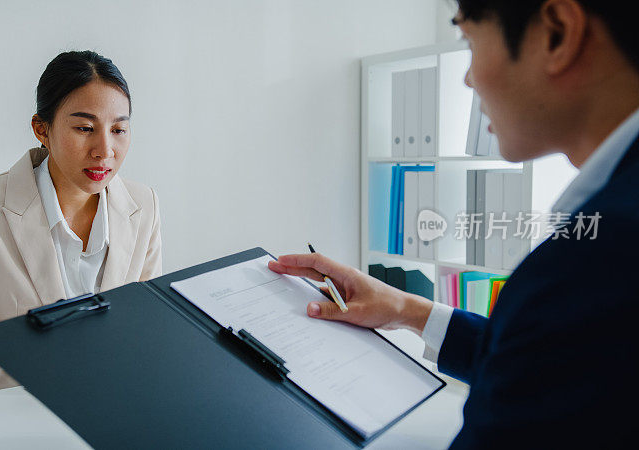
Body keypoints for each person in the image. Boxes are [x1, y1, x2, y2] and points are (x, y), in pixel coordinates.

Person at [269, 0, 638, 447]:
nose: (468, 78)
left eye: (469, 40)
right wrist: (407, 309)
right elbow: (567, 365)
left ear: (557, 34)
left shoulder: (595, 260)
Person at [0, 51, 162, 394]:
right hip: (17, 419)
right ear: (41, 129)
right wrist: (73, 366)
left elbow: (148, 332)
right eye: (85, 128)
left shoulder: (143, 204)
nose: (104, 150)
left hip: (118, 409)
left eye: (119, 129)